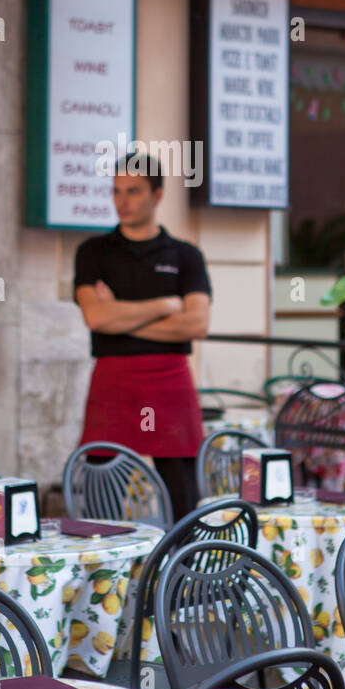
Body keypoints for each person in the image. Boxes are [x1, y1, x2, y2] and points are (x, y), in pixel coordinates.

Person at [74, 155, 211, 521]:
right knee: (101, 494)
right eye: (117, 192)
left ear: (158, 194)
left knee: (183, 497)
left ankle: (184, 573)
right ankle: (106, 573)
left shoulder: (187, 256)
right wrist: (166, 305)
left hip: (170, 381)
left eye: (133, 192)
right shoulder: (93, 252)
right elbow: (96, 317)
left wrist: (122, 315)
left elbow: (196, 325)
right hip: (113, 381)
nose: (122, 201)